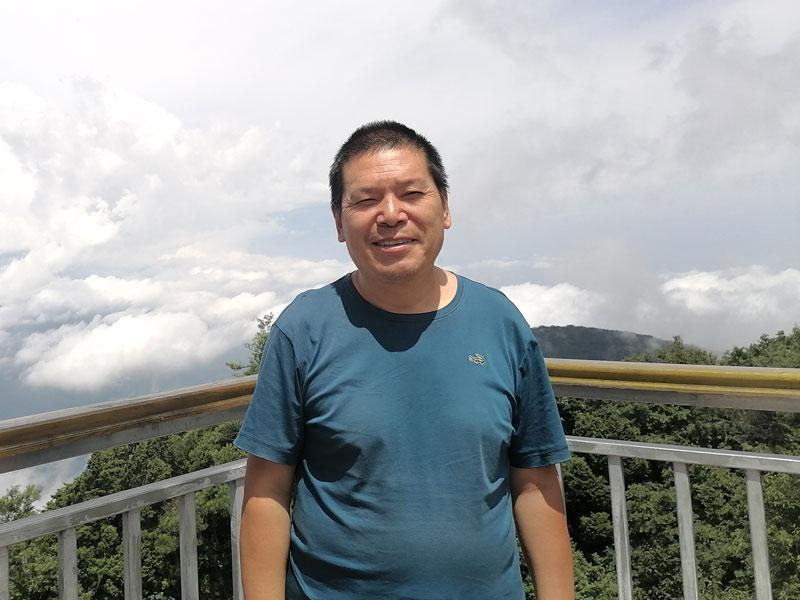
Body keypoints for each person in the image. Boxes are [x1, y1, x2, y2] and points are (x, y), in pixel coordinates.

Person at [235, 121, 574, 599]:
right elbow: (267, 488)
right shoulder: (305, 328)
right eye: (365, 200)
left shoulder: (500, 322)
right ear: (339, 223)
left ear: (445, 207)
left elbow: (535, 478)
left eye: (412, 194)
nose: (391, 214)